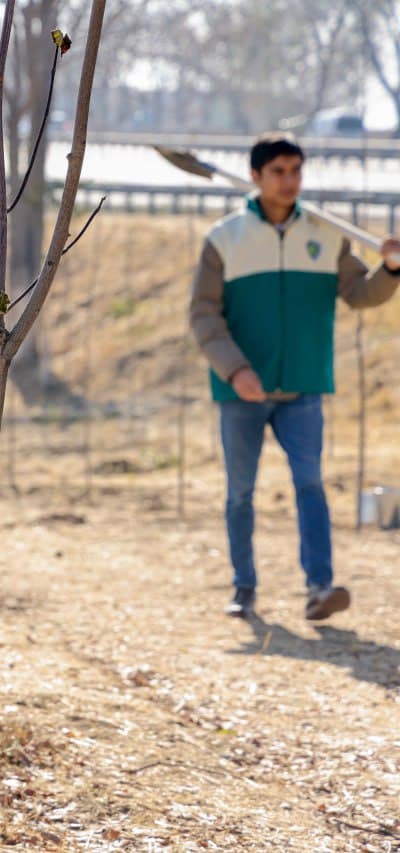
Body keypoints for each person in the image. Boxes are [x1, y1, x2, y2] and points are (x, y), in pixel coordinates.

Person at [189, 132, 400, 621]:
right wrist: (235, 370)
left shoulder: (327, 235)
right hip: (241, 390)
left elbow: (360, 293)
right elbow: (203, 315)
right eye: (279, 172)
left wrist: (391, 270)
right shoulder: (225, 239)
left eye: (296, 171)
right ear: (256, 176)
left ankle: (320, 588)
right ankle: (244, 586)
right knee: (240, 492)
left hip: (303, 385)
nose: (289, 181)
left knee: (310, 484)